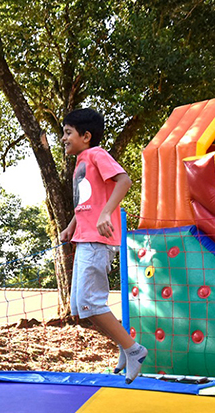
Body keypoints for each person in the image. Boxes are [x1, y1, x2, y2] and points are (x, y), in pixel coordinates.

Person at [58, 108, 148, 383]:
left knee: (90, 302)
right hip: (84, 238)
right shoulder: (81, 162)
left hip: (97, 241)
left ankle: (134, 349)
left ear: (86, 136)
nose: (63, 138)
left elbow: (124, 181)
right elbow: (86, 202)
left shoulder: (97, 154)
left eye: (68, 132)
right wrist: (72, 225)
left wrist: (107, 213)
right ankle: (124, 345)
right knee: (79, 307)